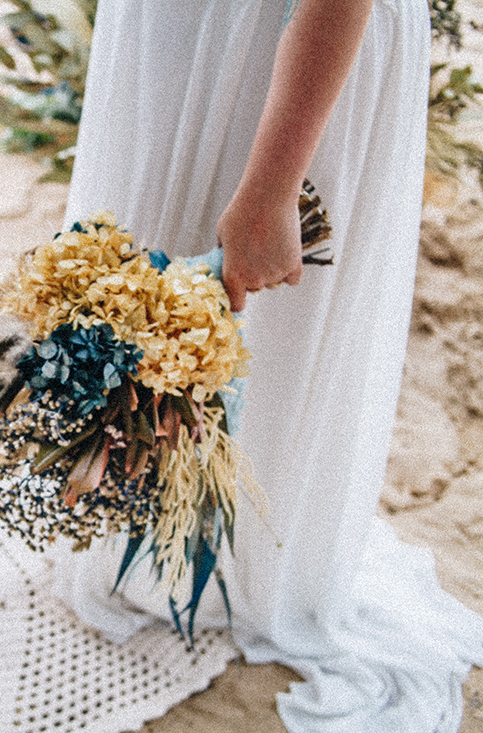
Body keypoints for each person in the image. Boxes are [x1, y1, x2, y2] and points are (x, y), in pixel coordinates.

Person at [51, 0, 483, 730]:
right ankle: (148, 535)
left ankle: (230, 560)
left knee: (258, 337)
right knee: (142, 302)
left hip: (280, 56)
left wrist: (273, 187)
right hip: (184, 31)